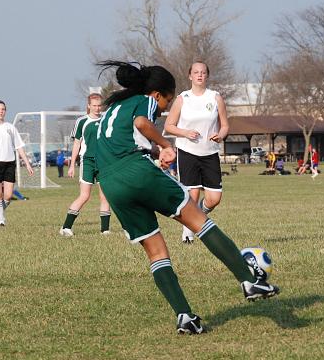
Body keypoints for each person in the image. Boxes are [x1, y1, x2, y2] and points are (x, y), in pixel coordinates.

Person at [94, 60, 279, 335]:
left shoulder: (111, 112)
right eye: (166, 102)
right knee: (199, 221)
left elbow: (122, 142)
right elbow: (143, 123)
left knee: (156, 253)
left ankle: (185, 316)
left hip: (111, 184)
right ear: (156, 94)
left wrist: (156, 153)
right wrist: (165, 144)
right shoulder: (143, 100)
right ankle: (248, 279)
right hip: (136, 171)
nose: (165, 108)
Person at [164, 61, 229, 243]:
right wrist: (185, 132)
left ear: (207, 75)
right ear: (190, 76)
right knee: (192, 194)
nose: (200, 75)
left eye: (203, 72)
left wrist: (221, 135)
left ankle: (197, 215)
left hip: (210, 152)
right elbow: (169, 126)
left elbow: (225, 125)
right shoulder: (183, 98)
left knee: (214, 198)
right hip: (187, 151)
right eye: (196, 72)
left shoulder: (215, 98)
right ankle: (188, 231)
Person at [60, 93, 112, 236]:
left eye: (99, 105)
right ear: (89, 106)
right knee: (84, 196)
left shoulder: (106, 120)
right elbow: (77, 143)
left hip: (104, 163)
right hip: (87, 161)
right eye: (94, 105)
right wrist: (71, 165)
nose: (97, 108)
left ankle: (105, 230)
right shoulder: (82, 121)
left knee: (105, 196)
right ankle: (66, 227)